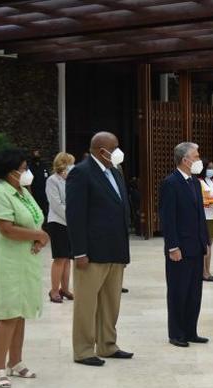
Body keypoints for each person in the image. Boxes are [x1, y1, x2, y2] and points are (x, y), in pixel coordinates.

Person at [66, 132, 133, 366]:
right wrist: (79, 252)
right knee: (86, 303)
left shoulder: (115, 171)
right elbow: (75, 216)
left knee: (111, 302)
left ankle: (107, 344)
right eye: (114, 147)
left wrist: (125, 250)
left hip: (115, 249)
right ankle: (83, 349)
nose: (118, 151)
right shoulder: (81, 173)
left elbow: (122, 210)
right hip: (92, 252)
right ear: (101, 150)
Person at [0, 148, 49, 388]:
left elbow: (34, 219)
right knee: (8, 313)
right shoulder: (0, 193)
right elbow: (7, 228)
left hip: (26, 260)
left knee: (21, 312)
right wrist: (39, 235)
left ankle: (16, 361)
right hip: (7, 261)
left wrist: (38, 237)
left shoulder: (23, 192)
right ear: (10, 171)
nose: (27, 172)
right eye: (23, 169)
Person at [160, 142, 210, 347]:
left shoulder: (195, 182)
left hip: (196, 246)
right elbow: (168, 218)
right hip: (180, 248)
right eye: (196, 157)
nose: (199, 160)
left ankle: (191, 330)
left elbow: (200, 215)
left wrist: (205, 241)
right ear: (185, 160)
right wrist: (173, 247)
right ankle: (176, 333)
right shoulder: (171, 183)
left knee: (193, 292)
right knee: (178, 291)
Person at [45, 152, 76, 304]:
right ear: (63, 163)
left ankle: (65, 289)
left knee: (68, 259)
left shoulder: (71, 180)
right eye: (71, 163)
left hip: (70, 223)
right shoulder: (52, 180)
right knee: (60, 257)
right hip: (58, 222)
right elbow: (56, 204)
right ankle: (54, 290)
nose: (73, 166)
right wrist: (71, 217)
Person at [198, 159, 213, 282]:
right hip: (205, 216)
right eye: (209, 168)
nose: (211, 170)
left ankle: (208, 270)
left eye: (212, 168)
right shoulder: (200, 182)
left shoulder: (212, 181)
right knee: (205, 245)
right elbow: (204, 198)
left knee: (210, 245)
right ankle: (203, 272)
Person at [28, 149, 49, 217]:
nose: (37, 155)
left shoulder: (43, 165)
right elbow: (29, 181)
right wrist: (30, 191)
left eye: (38, 154)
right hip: (35, 191)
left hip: (44, 190)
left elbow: (47, 176)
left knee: (45, 207)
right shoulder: (30, 166)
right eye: (35, 154)